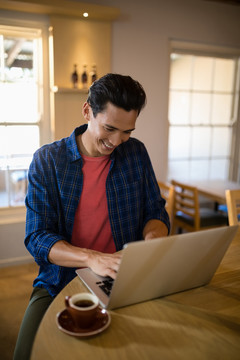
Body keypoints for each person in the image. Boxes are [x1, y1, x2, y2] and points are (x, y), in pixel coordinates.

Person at [13, 73, 170, 359]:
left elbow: (155, 210)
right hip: (60, 279)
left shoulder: (136, 153)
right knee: (26, 352)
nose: (117, 141)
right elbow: (37, 238)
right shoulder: (47, 161)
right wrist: (92, 258)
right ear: (87, 111)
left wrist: (152, 241)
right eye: (109, 128)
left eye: (127, 132)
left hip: (125, 276)